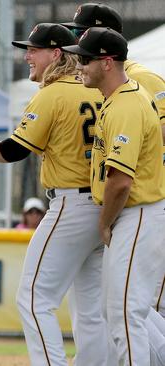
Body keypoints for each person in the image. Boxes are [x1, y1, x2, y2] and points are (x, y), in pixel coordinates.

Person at [0, 23, 109, 365]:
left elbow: (14, 150)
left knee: (32, 298)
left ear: (57, 54)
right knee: (91, 308)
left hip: (72, 204)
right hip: (104, 204)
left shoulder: (53, 93)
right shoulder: (99, 90)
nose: (27, 56)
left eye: (34, 50)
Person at [62, 26, 165, 366]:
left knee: (125, 314)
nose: (79, 67)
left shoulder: (125, 104)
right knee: (121, 310)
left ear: (107, 62)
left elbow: (120, 181)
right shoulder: (121, 98)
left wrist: (105, 223)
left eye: (85, 60)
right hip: (139, 214)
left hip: (138, 213)